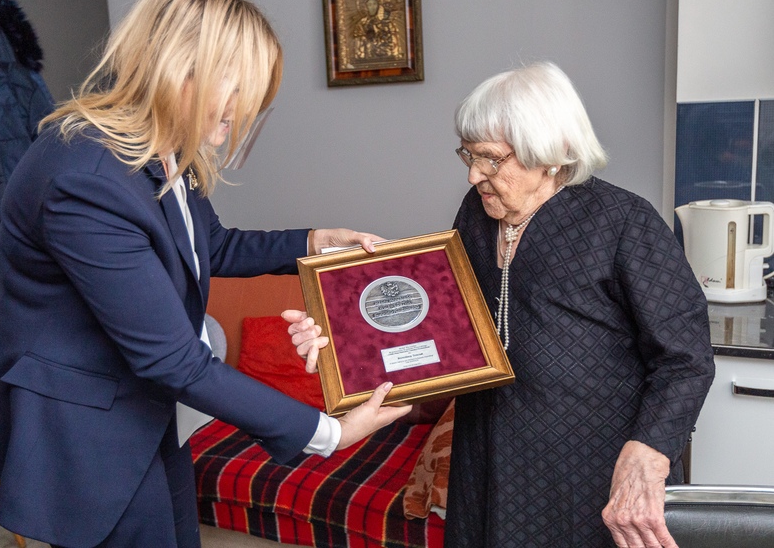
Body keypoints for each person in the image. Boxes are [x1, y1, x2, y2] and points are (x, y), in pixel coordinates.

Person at [0, 0, 410, 548]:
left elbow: (212, 245)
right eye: (235, 97)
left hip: (150, 413)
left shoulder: (158, 150)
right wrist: (328, 433)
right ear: (182, 70)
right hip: (92, 436)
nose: (239, 119)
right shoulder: (86, 178)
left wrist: (313, 243)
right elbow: (175, 361)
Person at [287, 62, 715, 547]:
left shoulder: (624, 222)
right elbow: (445, 328)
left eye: (491, 159)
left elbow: (686, 358)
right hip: (485, 459)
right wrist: (345, 339)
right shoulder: (476, 214)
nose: (474, 175)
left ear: (551, 154)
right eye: (468, 154)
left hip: (589, 469)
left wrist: (649, 454)